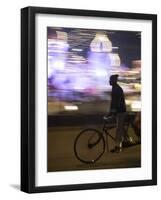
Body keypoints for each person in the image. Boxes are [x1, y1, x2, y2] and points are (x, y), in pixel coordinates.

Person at [109, 74, 127, 153]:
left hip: (121, 111)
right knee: (120, 127)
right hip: (119, 111)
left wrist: (112, 112)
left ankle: (117, 147)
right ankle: (126, 140)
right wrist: (110, 112)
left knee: (118, 129)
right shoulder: (115, 88)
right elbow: (113, 103)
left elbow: (116, 103)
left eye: (110, 80)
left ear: (114, 81)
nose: (109, 81)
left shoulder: (116, 89)